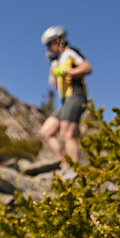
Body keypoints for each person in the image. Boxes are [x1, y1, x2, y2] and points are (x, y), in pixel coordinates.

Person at [39, 25, 92, 169]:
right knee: (47, 131)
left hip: (76, 96)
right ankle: (62, 164)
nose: (49, 49)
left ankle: (75, 169)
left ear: (58, 41)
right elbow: (56, 85)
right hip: (65, 100)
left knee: (67, 134)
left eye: (50, 44)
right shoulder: (58, 61)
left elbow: (87, 68)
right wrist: (54, 69)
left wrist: (68, 72)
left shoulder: (71, 53)